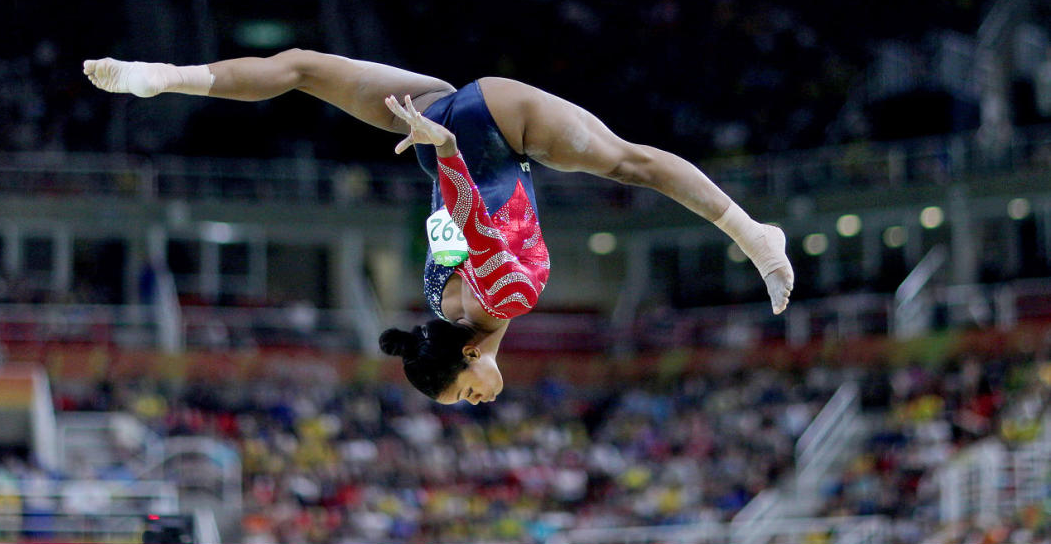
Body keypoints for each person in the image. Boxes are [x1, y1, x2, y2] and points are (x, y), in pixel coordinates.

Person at [84, 51, 793, 406]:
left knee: (632, 164)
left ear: (468, 358)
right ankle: (162, 76)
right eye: (471, 402)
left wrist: (451, 153)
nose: (479, 399)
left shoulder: (500, 300)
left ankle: (753, 233)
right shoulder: (441, 301)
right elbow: (448, 225)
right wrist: (440, 149)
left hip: (486, 134)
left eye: (465, 393)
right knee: (300, 68)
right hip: (435, 131)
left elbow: (472, 219)